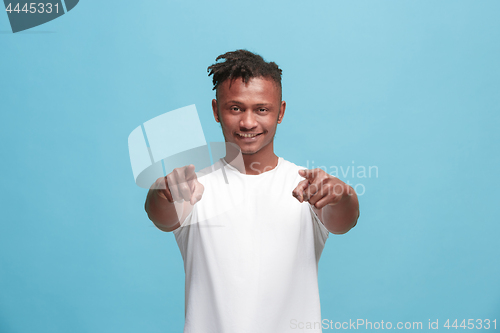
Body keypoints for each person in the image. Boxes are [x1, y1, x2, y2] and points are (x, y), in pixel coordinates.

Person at [144, 49, 360, 333]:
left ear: (280, 112)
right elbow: (159, 214)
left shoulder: (308, 189)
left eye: (262, 109)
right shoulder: (194, 189)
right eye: (235, 108)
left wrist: (342, 194)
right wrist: (164, 191)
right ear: (215, 110)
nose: (248, 122)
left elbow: (346, 218)